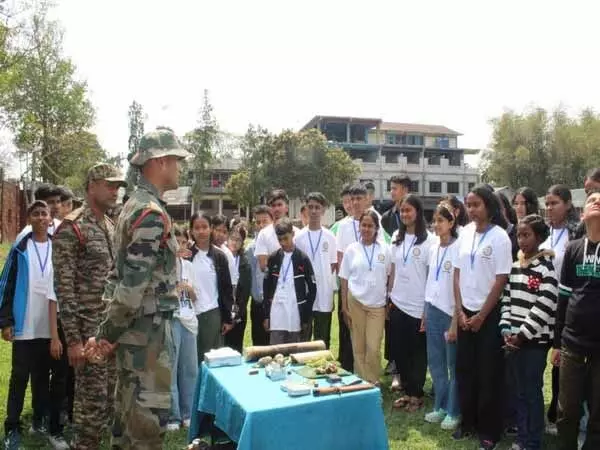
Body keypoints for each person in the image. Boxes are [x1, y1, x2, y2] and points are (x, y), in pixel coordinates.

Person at [84, 126, 191, 449]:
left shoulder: (133, 205)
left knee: (128, 424)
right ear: (159, 162)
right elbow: (130, 288)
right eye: (175, 160)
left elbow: (117, 280)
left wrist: (108, 333)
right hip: (147, 338)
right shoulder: (150, 213)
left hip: (136, 335)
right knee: (144, 430)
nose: (179, 167)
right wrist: (105, 336)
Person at [52, 163, 127, 450]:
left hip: (111, 334)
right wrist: (73, 340)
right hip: (87, 336)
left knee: (109, 407)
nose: (115, 191)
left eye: (118, 186)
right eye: (110, 184)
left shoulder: (110, 225)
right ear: (91, 185)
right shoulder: (73, 227)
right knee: (89, 415)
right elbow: (64, 288)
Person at [453, 185, 512, 450]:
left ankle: (489, 431)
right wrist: (460, 312)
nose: (472, 209)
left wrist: (481, 316)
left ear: (488, 205)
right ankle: (468, 423)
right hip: (465, 314)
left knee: (489, 375)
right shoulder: (464, 234)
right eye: (469, 204)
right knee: (465, 371)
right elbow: (457, 273)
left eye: (476, 204)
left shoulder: (500, 237)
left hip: (488, 317)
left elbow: (500, 280)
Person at [0, 201, 59, 449]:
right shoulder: (20, 248)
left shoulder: (58, 248)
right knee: (19, 376)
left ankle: (39, 420)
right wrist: (5, 321)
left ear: (50, 219)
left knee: (42, 376)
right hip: (24, 322)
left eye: (44, 213)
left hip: (49, 324)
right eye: (36, 214)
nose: (40, 217)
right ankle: (12, 427)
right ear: (29, 218)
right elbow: (6, 284)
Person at [500, 214, 558, 450]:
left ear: (540, 237)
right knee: (519, 390)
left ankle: (533, 440)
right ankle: (522, 436)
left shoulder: (547, 269)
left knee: (532, 390)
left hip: (533, 342)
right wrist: (506, 328)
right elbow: (506, 300)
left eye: (527, 235)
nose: (521, 240)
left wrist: (522, 335)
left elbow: (544, 306)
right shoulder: (515, 266)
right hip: (512, 340)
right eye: (519, 235)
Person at [552, 189, 600, 450]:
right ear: (583, 214)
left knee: (598, 412)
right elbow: (563, 298)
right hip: (572, 343)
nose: (597, 203)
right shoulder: (573, 249)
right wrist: (557, 342)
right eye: (592, 200)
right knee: (567, 409)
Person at [389, 195, 435, 411]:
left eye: (408, 210)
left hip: (418, 306)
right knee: (400, 350)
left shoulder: (430, 241)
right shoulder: (395, 239)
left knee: (417, 352)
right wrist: (389, 297)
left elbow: (430, 276)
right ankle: (407, 391)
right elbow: (393, 270)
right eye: (402, 211)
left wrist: (427, 309)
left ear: (418, 212)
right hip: (398, 303)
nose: (405, 214)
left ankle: (416, 393)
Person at [542, 184, 580, 435]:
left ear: (567, 204)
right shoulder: (544, 231)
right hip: (542, 306)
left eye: (554, 203)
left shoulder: (576, 233)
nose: (549, 208)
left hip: (565, 307)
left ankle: (559, 415)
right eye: (547, 204)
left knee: (560, 366)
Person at [339, 210, 391, 384]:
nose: (366, 229)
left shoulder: (385, 249)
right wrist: (344, 306)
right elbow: (344, 278)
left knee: (373, 346)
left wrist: (388, 299)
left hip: (377, 306)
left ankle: (373, 379)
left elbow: (391, 276)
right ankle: (363, 382)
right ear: (359, 227)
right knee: (358, 346)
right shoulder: (351, 250)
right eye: (364, 225)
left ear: (377, 228)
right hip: (356, 303)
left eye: (370, 226)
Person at [336, 184, 383, 371]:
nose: (355, 203)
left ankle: (371, 377)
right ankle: (349, 369)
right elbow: (340, 258)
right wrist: (344, 288)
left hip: (372, 292)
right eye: (352, 199)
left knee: (371, 342)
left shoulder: (375, 219)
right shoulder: (343, 226)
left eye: (359, 199)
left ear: (367, 199)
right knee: (349, 333)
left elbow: (383, 256)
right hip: (350, 287)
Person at [423, 203, 460, 430]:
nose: (436, 225)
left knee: (453, 365)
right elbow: (430, 280)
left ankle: (454, 410)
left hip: (450, 312)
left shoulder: (458, 248)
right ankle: (440, 406)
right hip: (433, 309)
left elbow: (459, 287)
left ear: (451, 223)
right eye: (434, 221)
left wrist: (456, 320)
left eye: (441, 221)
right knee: (435, 363)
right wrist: (425, 311)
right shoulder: (433, 247)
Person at [188, 212, 234, 361]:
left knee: (211, 359)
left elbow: (227, 290)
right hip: (189, 316)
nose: (201, 231)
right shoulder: (187, 256)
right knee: (192, 359)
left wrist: (227, 318)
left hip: (212, 315)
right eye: (197, 228)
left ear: (211, 229)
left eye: (205, 227)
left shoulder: (219, 257)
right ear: (191, 231)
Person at [263, 219, 316, 345]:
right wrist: (266, 315)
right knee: (276, 351)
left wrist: (306, 314)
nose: (283, 243)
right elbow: (266, 288)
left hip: (295, 312)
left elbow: (313, 288)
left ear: (292, 234)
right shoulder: (273, 258)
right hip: (276, 312)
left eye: (286, 238)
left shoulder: (302, 258)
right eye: (279, 239)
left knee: (294, 350)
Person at [294, 192, 337, 349]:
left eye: (317, 207)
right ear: (305, 209)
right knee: (304, 336)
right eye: (310, 207)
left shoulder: (330, 236)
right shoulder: (298, 237)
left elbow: (332, 266)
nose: (313, 211)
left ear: (323, 210)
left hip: (324, 295)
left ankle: (322, 367)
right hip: (305, 294)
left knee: (322, 338)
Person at [167, 225, 198, 432]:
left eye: (183, 241)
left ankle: (188, 413)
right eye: (176, 241)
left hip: (189, 319)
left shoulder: (189, 266)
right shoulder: (164, 266)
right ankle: (172, 416)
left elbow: (196, 297)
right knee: (171, 368)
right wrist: (174, 290)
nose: (180, 245)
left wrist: (190, 290)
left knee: (190, 369)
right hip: (172, 318)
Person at [381, 175, 411, 375]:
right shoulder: (386, 217)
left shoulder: (414, 216)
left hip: (410, 278)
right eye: (390, 188)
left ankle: (407, 362)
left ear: (406, 190)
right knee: (390, 322)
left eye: (396, 188)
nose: (392, 192)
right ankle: (392, 361)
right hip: (390, 275)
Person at [246, 206, 273, 346]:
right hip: (257, 304)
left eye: (265, 221)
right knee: (258, 344)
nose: (261, 225)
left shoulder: (277, 245)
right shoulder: (250, 248)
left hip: (274, 303)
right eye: (258, 222)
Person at [254, 189, 299, 272]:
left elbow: (301, 262)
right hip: (273, 282)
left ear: (286, 208)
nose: (276, 208)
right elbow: (263, 266)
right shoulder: (263, 234)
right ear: (270, 209)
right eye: (273, 205)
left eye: (279, 205)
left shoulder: (298, 233)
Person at [224, 225, 251, 353]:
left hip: (239, 313)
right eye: (232, 238)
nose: (234, 242)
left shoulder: (245, 262)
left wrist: (236, 315)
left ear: (242, 242)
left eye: (238, 240)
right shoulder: (221, 257)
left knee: (236, 348)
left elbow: (245, 292)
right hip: (224, 312)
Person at [211, 215, 238, 293]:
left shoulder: (227, 254)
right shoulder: (203, 249)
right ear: (211, 229)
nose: (221, 235)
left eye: (224, 232)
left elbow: (233, 284)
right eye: (218, 230)